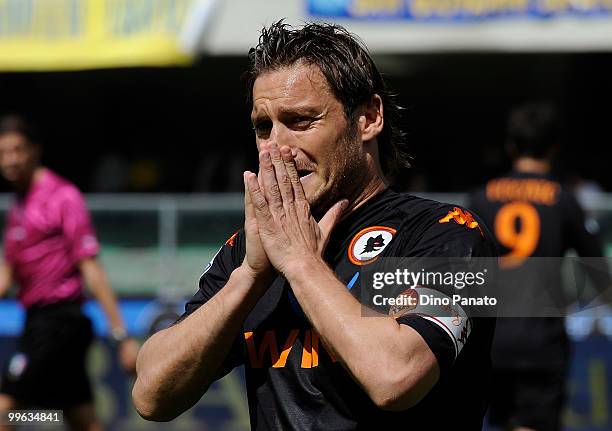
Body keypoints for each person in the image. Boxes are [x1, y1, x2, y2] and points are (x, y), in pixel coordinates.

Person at [133, 21, 497, 429]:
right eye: (263, 127)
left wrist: (301, 263)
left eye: (302, 120)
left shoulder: (445, 233)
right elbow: (151, 395)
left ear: (368, 118)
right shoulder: (253, 250)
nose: (277, 148)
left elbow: (395, 378)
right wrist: (251, 276)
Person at [469, 102, 610, 431]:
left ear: (511, 146)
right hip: (540, 341)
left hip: (489, 341)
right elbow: (598, 273)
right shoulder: (562, 199)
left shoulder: (482, 198)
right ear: (555, 148)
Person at [0, 115, 139, 431]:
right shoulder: (18, 205)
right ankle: (51, 419)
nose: (10, 160)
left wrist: (122, 337)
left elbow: (91, 268)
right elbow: (6, 273)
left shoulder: (62, 196)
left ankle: (45, 420)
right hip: (38, 322)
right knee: (81, 418)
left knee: (5, 414)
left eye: (17, 150)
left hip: (59, 323)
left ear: (35, 151)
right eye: (3, 153)